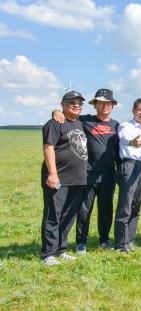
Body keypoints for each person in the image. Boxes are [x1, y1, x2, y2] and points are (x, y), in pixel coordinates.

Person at [51, 88, 120, 253]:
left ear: (112, 105)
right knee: (84, 209)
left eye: (108, 103)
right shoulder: (85, 120)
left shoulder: (117, 125)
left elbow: (120, 150)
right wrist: (55, 111)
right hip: (88, 173)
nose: (105, 106)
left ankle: (104, 240)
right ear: (95, 104)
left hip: (108, 174)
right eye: (101, 103)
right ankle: (81, 242)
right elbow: (68, 115)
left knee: (106, 209)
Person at [40, 91, 88, 265]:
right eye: (72, 102)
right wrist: (53, 174)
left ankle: (61, 250)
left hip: (77, 179)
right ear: (63, 104)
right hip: (59, 179)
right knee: (53, 215)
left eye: (80, 103)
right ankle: (48, 254)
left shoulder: (80, 123)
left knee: (68, 216)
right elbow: (48, 147)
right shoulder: (54, 123)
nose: (76, 105)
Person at [115, 98, 141, 252]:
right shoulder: (126, 126)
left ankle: (130, 241)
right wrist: (132, 142)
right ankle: (121, 244)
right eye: (140, 110)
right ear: (133, 111)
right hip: (130, 166)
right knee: (125, 206)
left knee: (136, 206)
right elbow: (124, 138)